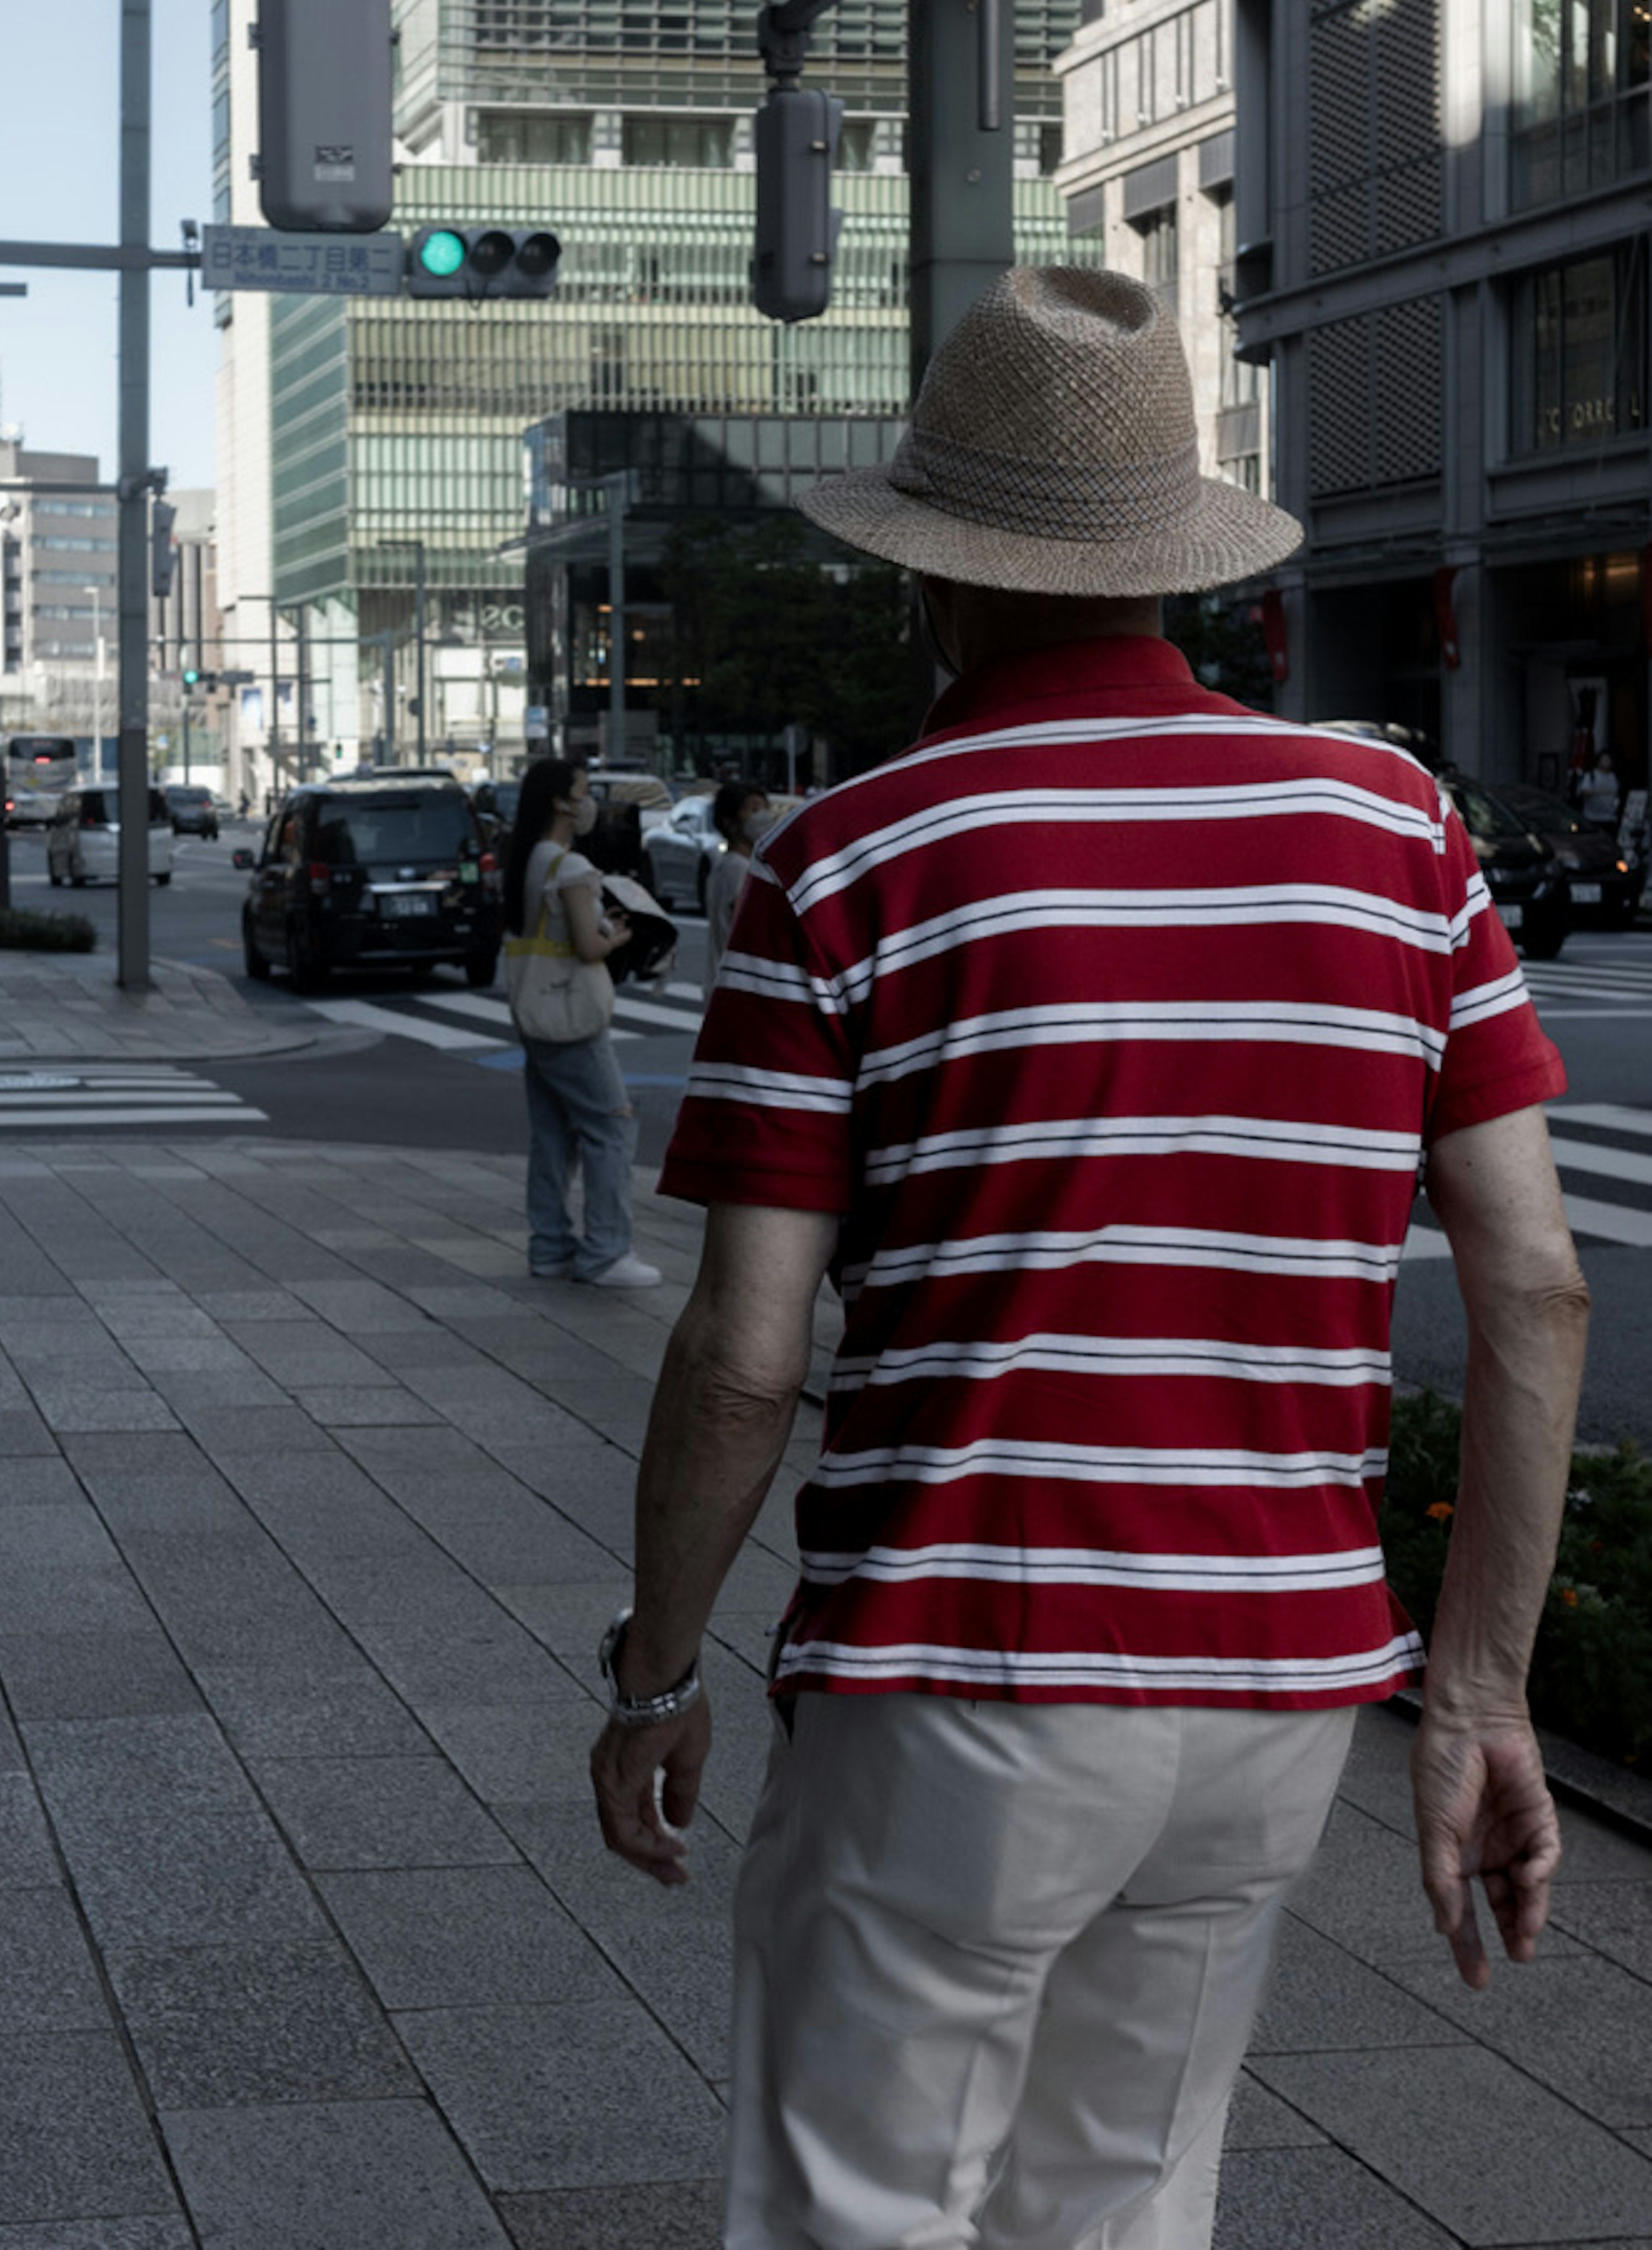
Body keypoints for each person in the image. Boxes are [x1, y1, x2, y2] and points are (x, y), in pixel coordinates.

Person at [590, 268, 1588, 2250]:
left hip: (957, 1666)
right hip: (1282, 1687)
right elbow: (1537, 1284)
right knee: (1125, 2205)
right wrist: (1475, 1695)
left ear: (930, 580)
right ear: (1174, 562)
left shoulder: (851, 859)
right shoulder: (1399, 831)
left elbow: (742, 1355)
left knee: (859, 2205)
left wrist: (653, 1670)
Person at [502, 757, 661, 1290]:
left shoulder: (529, 858)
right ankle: (606, 1252)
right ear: (561, 801)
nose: (590, 801)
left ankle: (549, 1248)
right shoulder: (568, 867)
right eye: (584, 791)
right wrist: (620, 937)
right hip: (572, 1013)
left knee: (551, 1134)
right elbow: (588, 947)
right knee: (612, 1125)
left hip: (536, 1010)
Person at [704, 780, 773, 986]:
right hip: (739, 983)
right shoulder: (739, 868)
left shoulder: (727, 864)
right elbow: (751, 930)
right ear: (729, 820)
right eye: (753, 809)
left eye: (764, 809)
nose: (763, 816)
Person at [1578, 750, 1620, 831]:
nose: (1607, 762)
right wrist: (1601, 793)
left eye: (1609, 760)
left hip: (1610, 817)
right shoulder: (1591, 776)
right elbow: (1585, 791)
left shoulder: (1613, 777)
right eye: (1605, 760)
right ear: (1599, 762)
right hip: (1593, 817)